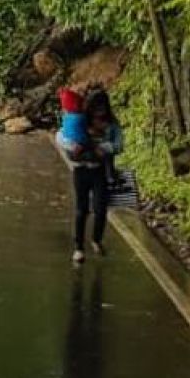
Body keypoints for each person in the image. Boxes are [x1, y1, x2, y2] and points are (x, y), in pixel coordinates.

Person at [56, 88, 124, 263]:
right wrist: (72, 146)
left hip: (100, 170)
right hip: (81, 169)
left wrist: (105, 148)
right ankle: (78, 247)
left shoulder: (112, 125)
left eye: (102, 107)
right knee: (81, 209)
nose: (99, 111)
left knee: (101, 209)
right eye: (96, 107)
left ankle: (96, 239)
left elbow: (119, 145)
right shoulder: (79, 120)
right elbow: (60, 136)